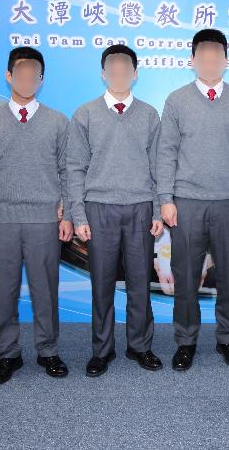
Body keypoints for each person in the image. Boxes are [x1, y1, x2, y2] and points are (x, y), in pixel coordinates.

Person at [0, 46, 73, 384]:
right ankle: (7, 355)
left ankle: (48, 350)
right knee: (5, 291)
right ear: (8, 75)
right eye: (21, 73)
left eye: (34, 74)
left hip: (44, 219)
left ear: (41, 80)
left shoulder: (58, 121)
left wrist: (67, 212)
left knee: (46, 290)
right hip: (1, 220)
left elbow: (68, 172)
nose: (27, 79)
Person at [156, 28, 229, 372]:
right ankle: (186, 341)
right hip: (186, 202)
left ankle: (228, 338)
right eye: (204, 56)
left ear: (227, 61)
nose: (211, 62)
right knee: (185, 275)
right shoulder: (176, 100)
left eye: (217, 56)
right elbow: (165, 152)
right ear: (192, 60)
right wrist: (165, 199)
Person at [67, 44, 164, 377]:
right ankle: (101, 350)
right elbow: (74, 168)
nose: (119, 74)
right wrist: (78, 215)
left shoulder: (150, 115)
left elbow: (157, 168)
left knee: (140, 283)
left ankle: (140, 346)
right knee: (102, 284)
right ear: (103, 73)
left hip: (139, 208)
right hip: (99, 210)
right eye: (113, 68)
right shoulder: (85, 113)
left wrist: (155, 211)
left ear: (136, 74)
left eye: (126, 69)